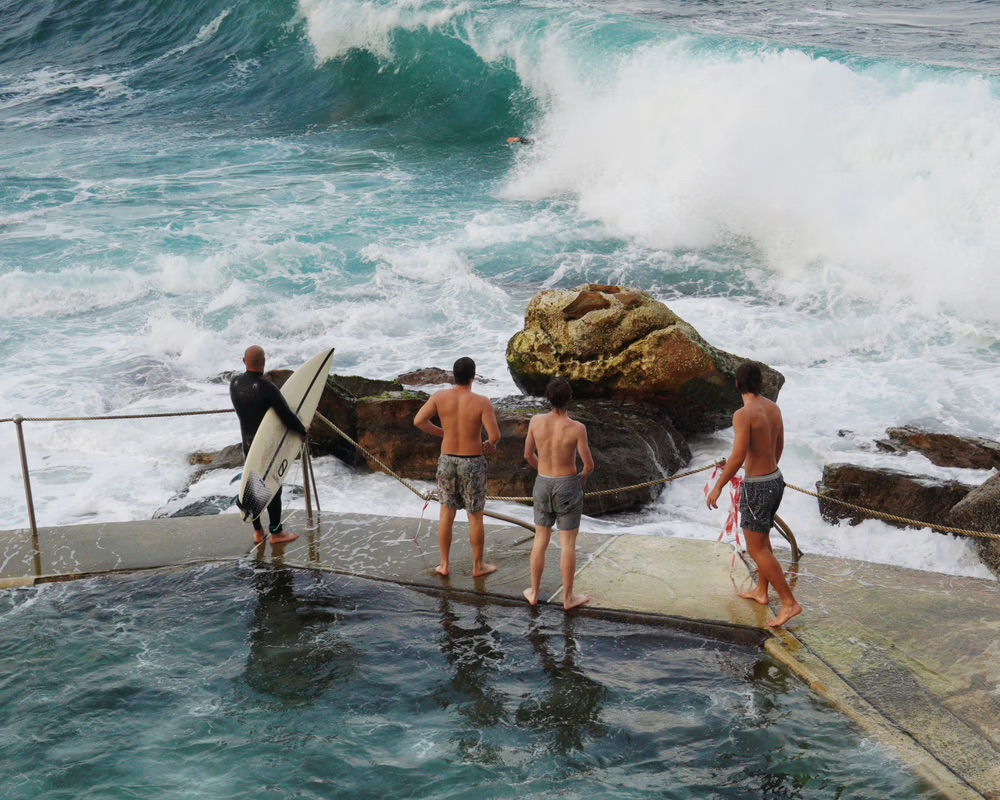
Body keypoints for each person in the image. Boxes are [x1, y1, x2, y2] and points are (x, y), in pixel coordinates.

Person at [706, 362, 802, 628]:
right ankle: (761, 590)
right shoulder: (773, 408)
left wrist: (718, 486)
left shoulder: (743, 414)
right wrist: (767, 472)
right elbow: (779, 445)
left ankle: (789, 603)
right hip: (775, 479)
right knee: (763, 540)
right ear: (760, 382)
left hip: (758, 487)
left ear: (737, 384)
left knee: (756, 548)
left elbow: (738, 455)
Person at [413, 357, 501, 578]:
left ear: (453, 376)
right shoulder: (482, 402)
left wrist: (444, 433)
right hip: (472, 462)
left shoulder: (439, 397)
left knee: (446, 514)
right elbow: (494, 436)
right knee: (475, 516)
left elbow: (419, 421)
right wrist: (489, 444)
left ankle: (444, 565)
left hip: (447, 461)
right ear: (473, 377)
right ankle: (478, 566)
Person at [522, 376, 595, 610]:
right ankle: (568, 598)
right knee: (568, 544)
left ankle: (534, 592)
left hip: (543, 483)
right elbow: (589, 465)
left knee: (540, 539)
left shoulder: (535, 421)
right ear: (569, 399)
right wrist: (582, 476)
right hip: (567, 484)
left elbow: (528, 454)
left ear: (548, 398)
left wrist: (542, 470)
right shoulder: (577, 428)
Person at [230, 345, 307, 545]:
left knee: (253, 484)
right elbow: (286, 416)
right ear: (264, 362)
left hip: (248, 444)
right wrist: (302, 430)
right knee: (272, 487)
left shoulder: (234, 383)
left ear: (244, 361)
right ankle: (276, 533)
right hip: (266, 445)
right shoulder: (267, 388)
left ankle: (258, 532)